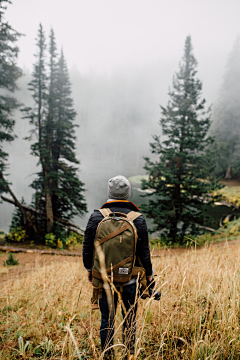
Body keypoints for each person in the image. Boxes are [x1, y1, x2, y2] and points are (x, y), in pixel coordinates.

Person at [82, 175, 153, 359]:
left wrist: (90, 271)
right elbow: (144, 252)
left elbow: (87, 248)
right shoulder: (138, 219)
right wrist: (150, 275)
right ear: (128, 194)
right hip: (130, 280)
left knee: (107, 320)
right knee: (130, 319)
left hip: (104, 280)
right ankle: (130, 354)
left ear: (109, 193)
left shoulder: (97, 216)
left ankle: (107, 355)